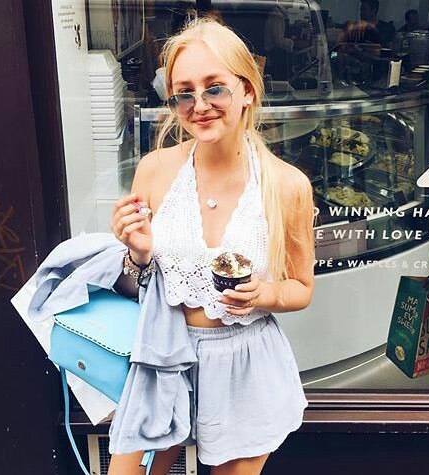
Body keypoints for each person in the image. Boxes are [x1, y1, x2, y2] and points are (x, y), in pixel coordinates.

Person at [108, 17, 315, 475]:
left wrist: (264, 294)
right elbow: (133, 285)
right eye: (184, 93)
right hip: (164, 354)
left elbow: (302, 288)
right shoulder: (155, 170)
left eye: (214, 88)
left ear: (248, 91)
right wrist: (137, 254)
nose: (199, 105)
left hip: (244, 362)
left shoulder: (286, 186)